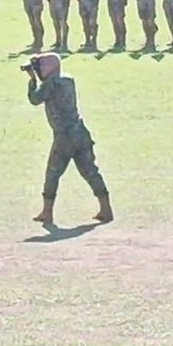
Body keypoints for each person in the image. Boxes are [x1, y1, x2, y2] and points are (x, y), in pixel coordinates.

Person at [24, 53, 115, 226]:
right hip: (80, 132)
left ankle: (47, 212)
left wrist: (32, 81)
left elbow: (35, 99)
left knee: (52, 174)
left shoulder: (50, 85)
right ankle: (106, 208)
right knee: (90, 171)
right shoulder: (67, 81)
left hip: (64, 137)